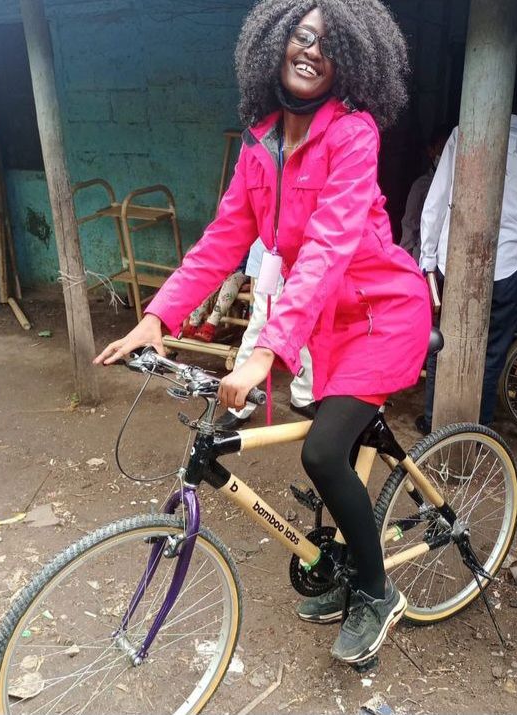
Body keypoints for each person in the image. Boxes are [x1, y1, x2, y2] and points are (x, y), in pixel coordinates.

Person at [95, 0, 431, 665]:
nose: (311, 51)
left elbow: (329, 249)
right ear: (276, 42)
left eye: (329, 45)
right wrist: (158, 317)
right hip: (322, 325)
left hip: (378, 316)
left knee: (323, 452)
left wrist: (266, 353)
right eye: (303, 36)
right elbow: (223, 240)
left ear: (351, 63)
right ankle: (342, 559)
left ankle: (374, 588)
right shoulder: (260, 140)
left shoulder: (353, 134)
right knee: (320, 443)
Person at [417, 105, 517, 434]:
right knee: (492, 351)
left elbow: (437, 198)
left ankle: (432, 421)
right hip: (507, 265)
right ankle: (477, 426)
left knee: (442, 343)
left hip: (451, 259)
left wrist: (426, 257)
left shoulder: (462, 134)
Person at [215, 238, 316, 430]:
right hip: (269, 255)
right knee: (259, 325)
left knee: (307, 324)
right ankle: (239, 402)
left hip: (308, 257)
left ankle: (304, 396)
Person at [399, 125, 452, 262]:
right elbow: (410, 224)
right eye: (441, 148)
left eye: (448, 149)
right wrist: (406, 258)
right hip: (423, 256)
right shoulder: (420, 186)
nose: (445, 154)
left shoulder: (458, 185)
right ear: (431, 151)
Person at [182, 257, 248, 343]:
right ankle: (192, 324)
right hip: (226, 269)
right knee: (208, 282)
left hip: (245, 272)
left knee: (231, 282)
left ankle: (210, 326)